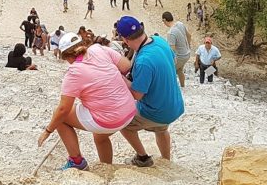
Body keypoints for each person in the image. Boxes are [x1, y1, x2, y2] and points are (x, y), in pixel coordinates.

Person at [37, 32, 136, 170]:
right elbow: (126, 66)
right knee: (100, 137)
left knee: (60, 118)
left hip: (109, 120)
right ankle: (106, 167)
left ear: (66, 56)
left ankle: (77, 161)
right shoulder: (98, 48)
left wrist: (48, 131)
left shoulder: (74, 72)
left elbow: (63, 109)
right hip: (129, 111)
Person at [116, 16, 184, 167]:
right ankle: (166, 160)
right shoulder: (158, 40)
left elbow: (137, 95)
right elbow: (172, 61)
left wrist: (120, 77)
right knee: (161, 129)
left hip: (156, 111)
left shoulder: (144, 61)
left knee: (124, 124)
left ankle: (142, 158)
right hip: (174, 104)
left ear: (125, 39)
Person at [163, 12, 191, 88]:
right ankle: (183, 87)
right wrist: (188, 47)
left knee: (169, 72)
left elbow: (172, 50)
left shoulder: (170, 33)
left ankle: (170, 89)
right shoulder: (180, 24)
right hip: (187, 54)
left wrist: (169, 61)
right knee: (179, 70)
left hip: (180, 56)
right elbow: (189, 35)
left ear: (164, 20)